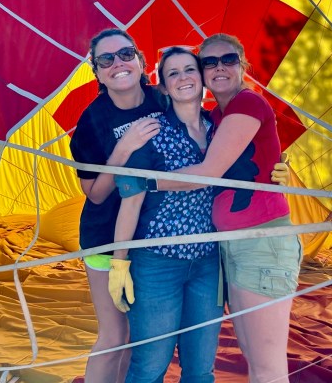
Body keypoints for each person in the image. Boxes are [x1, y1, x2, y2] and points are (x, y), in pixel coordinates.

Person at [131, 34, 300, 382]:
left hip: (260, 244)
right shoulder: (216, 118)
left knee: (267, 366)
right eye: (209, 62)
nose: (219, 67)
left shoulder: (247, 104)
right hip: (230, 247)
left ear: (243, 65)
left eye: (228, 60)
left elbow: (208, 172)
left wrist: (142, 181)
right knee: (255, 360)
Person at [108, 46, 223, 382]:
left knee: (201, 369)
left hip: (208, 262)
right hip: (157, 263)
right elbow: (130, 199)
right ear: (163, 86)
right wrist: (120, 262)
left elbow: (246, 173)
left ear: (202, 78)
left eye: (190, 69)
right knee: (150, 366)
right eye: (172, 73)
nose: (183, 78)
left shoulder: (221, 127)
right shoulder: (151, 132)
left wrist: (277, 170)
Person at [69, 28, 164, 383]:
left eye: (126, 54)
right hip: (106, 238)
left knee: (142, 339)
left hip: (154, 237)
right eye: (106, 59)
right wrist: (123, 150)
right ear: (96, 71)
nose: (118, 64)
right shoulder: (91, 122)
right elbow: (95, 193)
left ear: (140, 60)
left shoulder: (164, 101)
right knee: (114, 337)